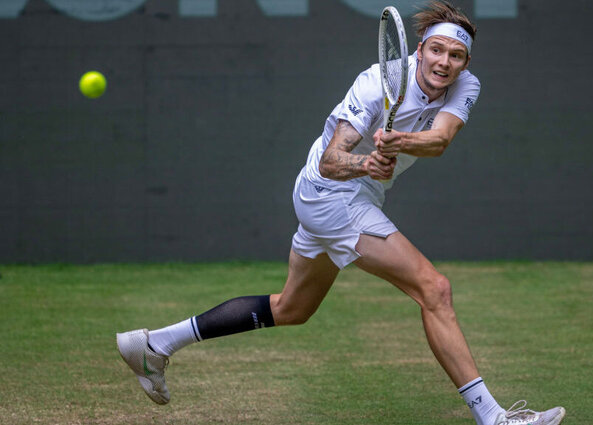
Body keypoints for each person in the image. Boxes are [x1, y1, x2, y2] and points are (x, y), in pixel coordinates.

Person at [116, 2, 565, 424]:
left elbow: (441, 140)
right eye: (437, 50)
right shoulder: (377, 81)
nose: (445, 63)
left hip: (360, 197)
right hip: (330, 193)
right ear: (420, 45)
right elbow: (333, 160)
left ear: (465, 62)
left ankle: (154, 345)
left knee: (292, 308)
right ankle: (495, 417)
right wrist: (367, 162)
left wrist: (398, 144)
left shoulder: (467, 86)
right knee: (435, 289)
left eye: (457, 55)